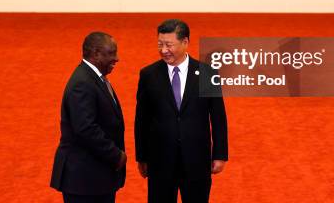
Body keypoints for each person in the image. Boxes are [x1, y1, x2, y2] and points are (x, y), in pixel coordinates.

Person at [135, 19, 228, 203]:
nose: (163, 50)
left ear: (185, 42)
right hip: (160, 161)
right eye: (160, 44)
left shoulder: (208, 73)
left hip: (196, 161)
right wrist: (142, 156)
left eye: (169, 45)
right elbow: (142, 119)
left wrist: (220, 154)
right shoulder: (148, 75)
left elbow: (218, 117)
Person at [51, 32, 127, 203]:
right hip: (85, 182)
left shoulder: (94, 78)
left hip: (94, 178)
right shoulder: (82, 84)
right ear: (95, 53)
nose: (117, 58)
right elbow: (85, 129)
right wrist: (115, 155)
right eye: (111, 53)